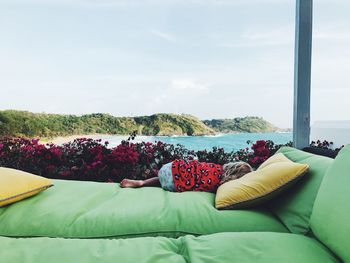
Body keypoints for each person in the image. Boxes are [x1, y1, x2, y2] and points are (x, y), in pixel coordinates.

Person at [120, 159, 253, 192]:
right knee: (179, 180)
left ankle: (142, 183)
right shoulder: (220, 184)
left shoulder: (216, 167)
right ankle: (143, 183)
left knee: (171, 176)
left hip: (168, 167)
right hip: (172, 183)